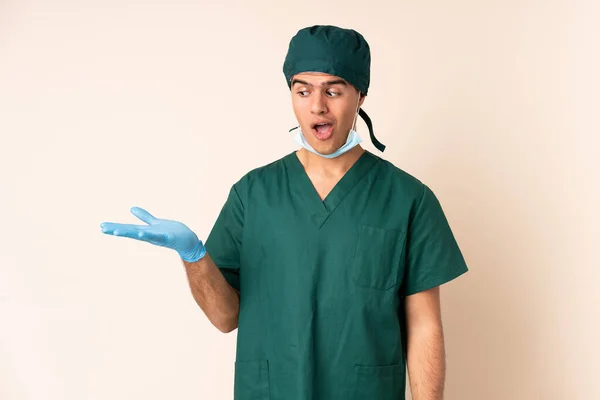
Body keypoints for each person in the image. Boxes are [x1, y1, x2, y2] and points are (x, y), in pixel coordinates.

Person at [100, 25, 469, 400]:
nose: (317, 105)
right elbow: (226, 318)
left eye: (334, 91)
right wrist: (194, 257)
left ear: (360, 95)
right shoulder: (253, 194)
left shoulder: (408, 199)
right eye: (303, 90)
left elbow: (424, 326)